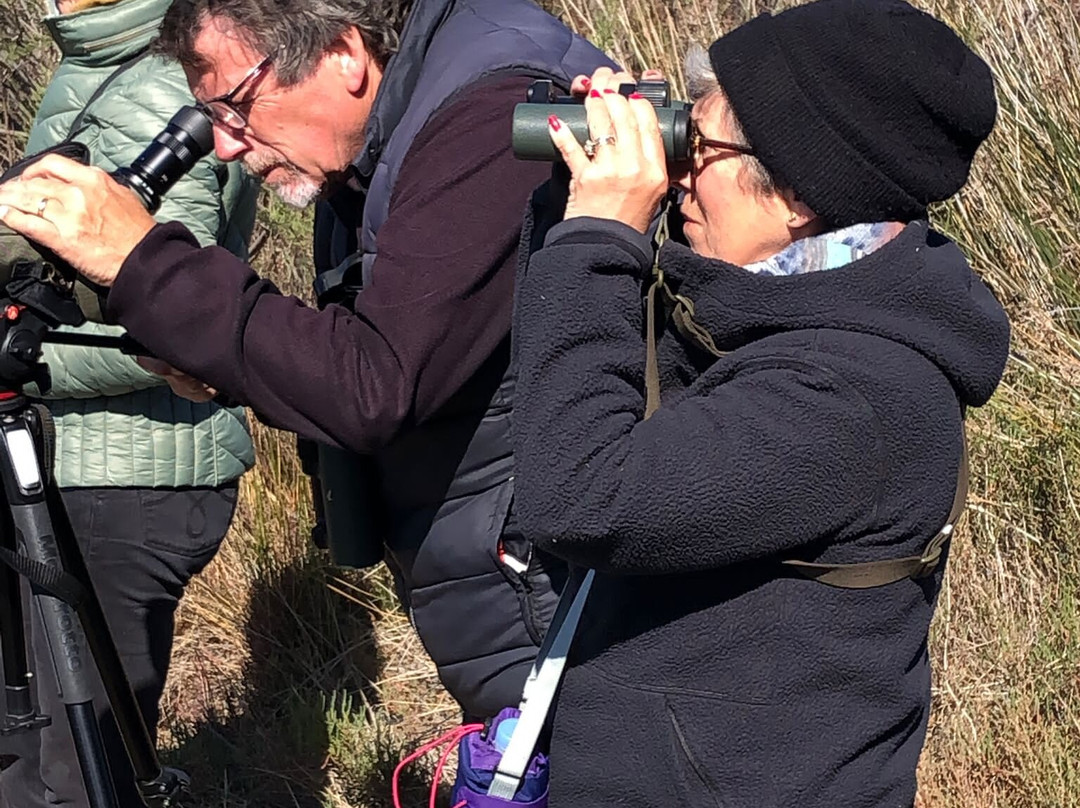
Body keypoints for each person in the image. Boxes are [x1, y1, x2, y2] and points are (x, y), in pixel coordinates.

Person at [0, 0, 614, 722]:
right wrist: (214, 356)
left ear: (345, 53)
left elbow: (374, 386)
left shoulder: (492, 115)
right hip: (512, 584)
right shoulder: (385, 132)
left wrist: (145, 265)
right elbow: (374, 351)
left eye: (234, 106)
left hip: (562, 600)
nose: (225, 147)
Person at [510, 1, 1011, 806]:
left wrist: (602, 237)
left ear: (799, 197)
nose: (678, 170)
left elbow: (581, 495)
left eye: (698, 145)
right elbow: (585, 386)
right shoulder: (775, 316)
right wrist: (573, 204)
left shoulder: (852, 397)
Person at [0, 0, 259, 805]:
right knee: (26, 751)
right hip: (63, 466)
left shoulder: (155, 80)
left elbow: (173, 319)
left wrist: (17, 365)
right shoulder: (94, 66)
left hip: (127, 479)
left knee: (81, 770)